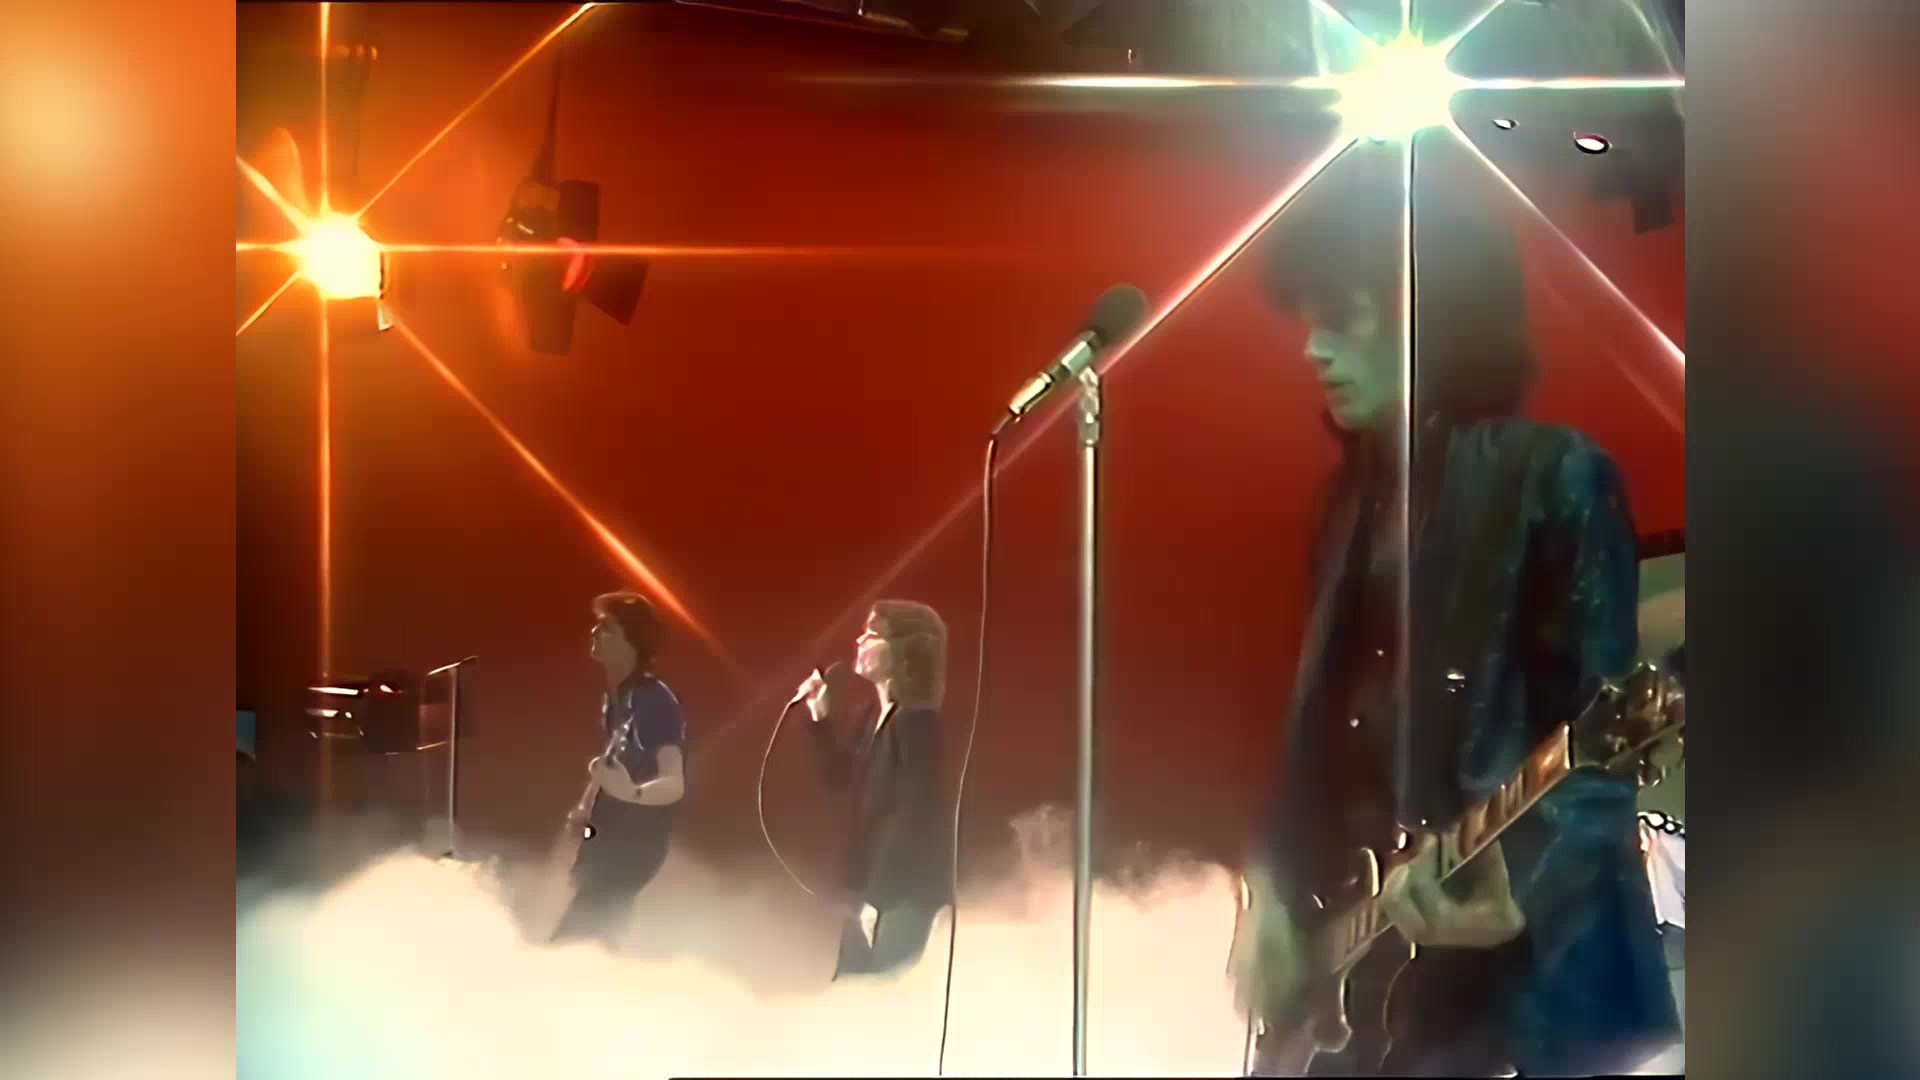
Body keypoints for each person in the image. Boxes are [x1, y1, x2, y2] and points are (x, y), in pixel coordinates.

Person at [1227, 153, 1679, 1075]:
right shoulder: (1347, 509)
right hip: (1380, 989)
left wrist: (1518, 885)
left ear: (1429, 315)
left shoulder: (1553, 475)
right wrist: (1272, 888)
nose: (1312, 348)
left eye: (1342, 316)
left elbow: (1599, 753)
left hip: (1534, 1000)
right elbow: (1318, 738)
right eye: (1309, 317)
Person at [794, 599, 952, 978]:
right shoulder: (871, 716)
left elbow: (914, 817)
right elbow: (837, 779)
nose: (860, 640)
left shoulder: (917, 723)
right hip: (870, 889)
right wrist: (819, 717)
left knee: (883, 993)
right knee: (851, 994)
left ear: (905, 650)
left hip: (903, 894)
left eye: (873, 633)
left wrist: (878, 899)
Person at [552, 591, 688, 944]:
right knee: (599, 943)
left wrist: (633, 793)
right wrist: (586, 805)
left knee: (571, 946)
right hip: (609, 841)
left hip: (632, 846)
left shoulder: (654, 700)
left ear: (632, 643)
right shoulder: (619, 697)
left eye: (608, 627)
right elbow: (613, 757)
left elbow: (674, 782)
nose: (595, 632)